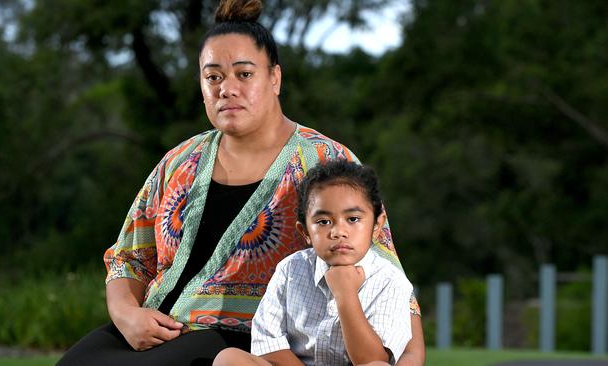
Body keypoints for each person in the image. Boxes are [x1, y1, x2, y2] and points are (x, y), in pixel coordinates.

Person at [57, 0, 424, 365]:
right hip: (147, 329)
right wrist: (126, 316)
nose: (227, 89)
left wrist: (410, 356)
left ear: (274, 78)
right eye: (213, 76)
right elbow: (129, 258)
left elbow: (382, 268)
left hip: (247, 344)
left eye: (244, 74)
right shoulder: (179, 161)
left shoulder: (326, 162)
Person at [213, 160, 413, 366]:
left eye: (353, 219)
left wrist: (346, 294)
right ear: (305, 232)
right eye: (323, 222)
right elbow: (268, 346)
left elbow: (372, 359)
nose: (338, 232)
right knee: (229, 359)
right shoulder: (290, 270)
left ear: (377, 225)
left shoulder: (391, 281)